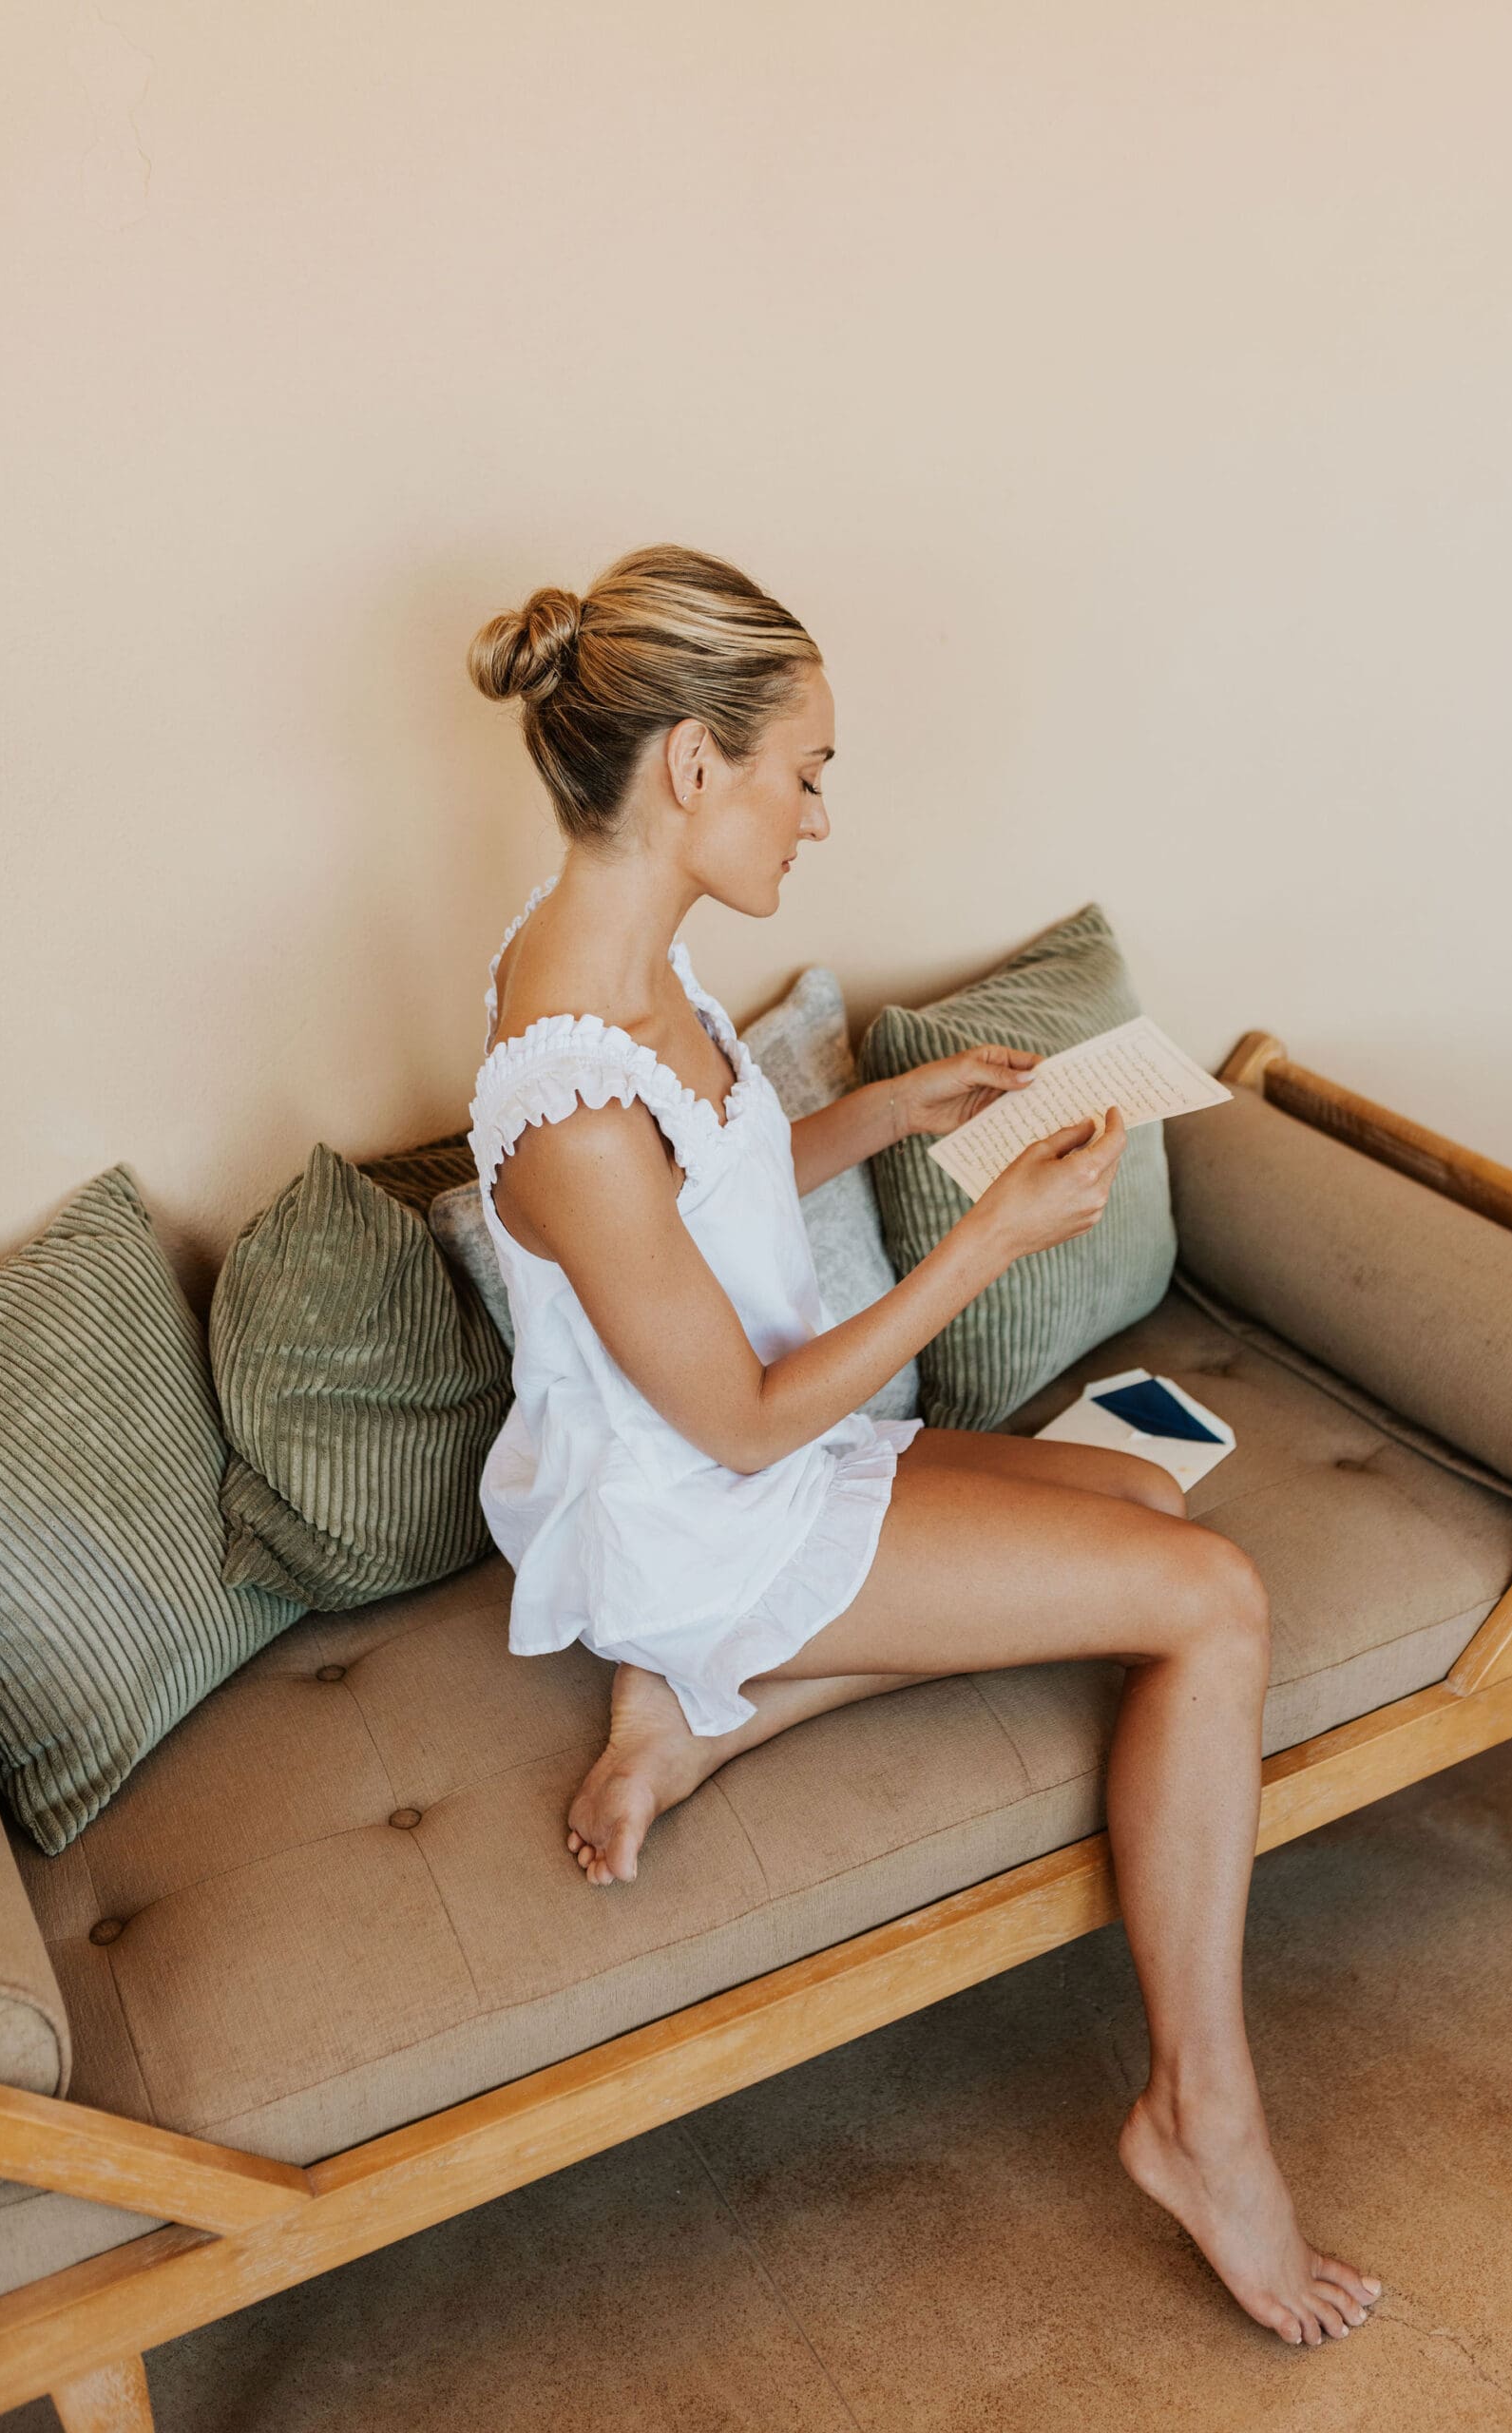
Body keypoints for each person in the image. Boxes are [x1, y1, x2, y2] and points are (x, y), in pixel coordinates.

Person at [464, 543, 1381, 2349]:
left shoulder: (612, 951)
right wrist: (986, 1243)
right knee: (1212, 1602)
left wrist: (890, 1111)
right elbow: (732, 1405)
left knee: (1132, 1486)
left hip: (744, 1473)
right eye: (804, 770)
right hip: (714, 1500)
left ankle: (707, 1706)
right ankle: (1203, 2127)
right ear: (691, 767)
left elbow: (701, 1212)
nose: (817, 815)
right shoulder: (566, 1087)